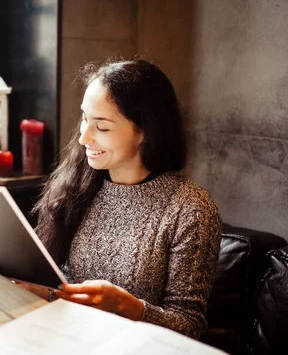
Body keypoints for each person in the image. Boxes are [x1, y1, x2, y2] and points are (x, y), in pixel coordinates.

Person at [29, 59, 222, 339]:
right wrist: (26, 279)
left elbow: (189, 327)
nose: (84, 138)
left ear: (145, 131)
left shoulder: (191, 209)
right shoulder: (80, 185)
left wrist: (127, 307)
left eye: (102, 127)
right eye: (84, 118)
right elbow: (67, 285)